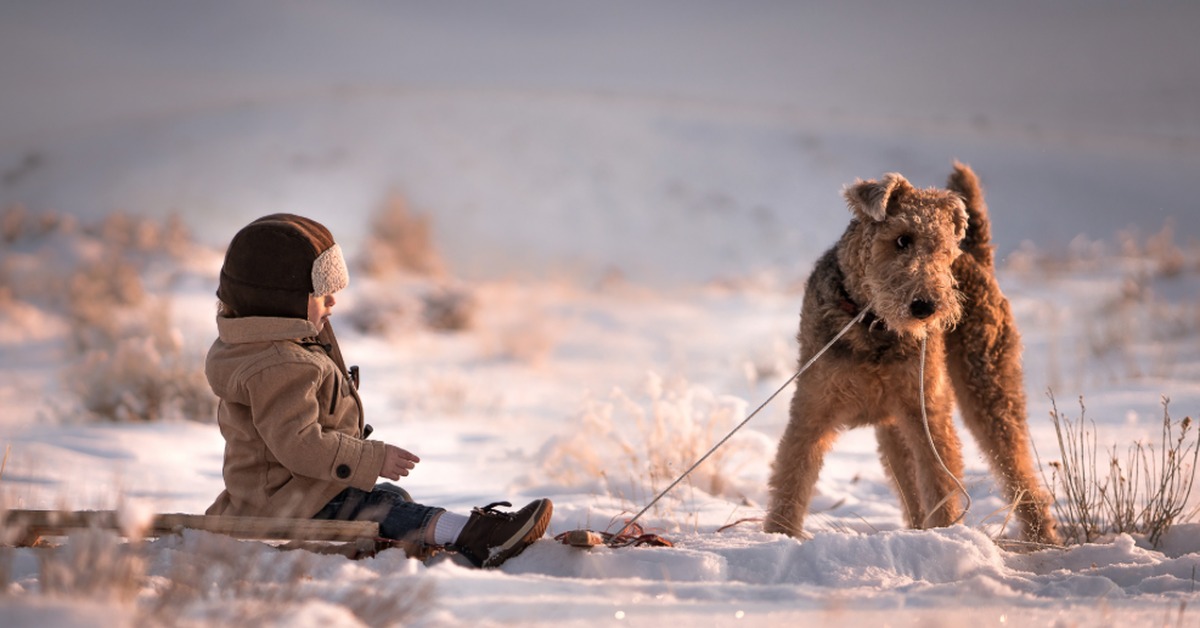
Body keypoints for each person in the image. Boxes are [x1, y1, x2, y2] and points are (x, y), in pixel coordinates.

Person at [205, 213, 552, 567]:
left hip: (294, 491)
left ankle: (401, 542)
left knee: (388, 497)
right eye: (321, 294)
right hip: (285, 503)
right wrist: (371, 458)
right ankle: (477, 537)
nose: (333, 303)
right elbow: (299, 444)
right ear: (281, 301)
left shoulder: (273, 345)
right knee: (380, 505)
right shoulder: (278, 364)